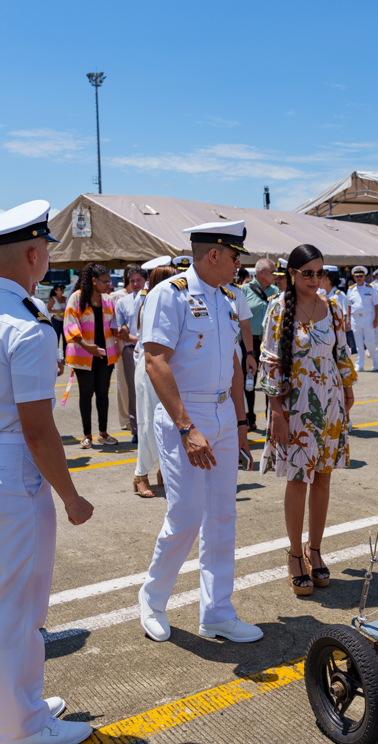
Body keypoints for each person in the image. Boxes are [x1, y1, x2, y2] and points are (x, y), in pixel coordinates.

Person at [0, 200, 95, 744]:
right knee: (19, 608)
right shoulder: (30, 328)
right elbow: (38, 431)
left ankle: (23, 702)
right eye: (46, 249)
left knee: (3, 601)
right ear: (34, 254)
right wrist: (72, 496)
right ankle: (18, 728)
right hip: (11, 473)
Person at [137, 221, 258, 644]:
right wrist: (187, 427)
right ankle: (152, 599)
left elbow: (235, 367)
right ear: (214, 254)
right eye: (235, 256)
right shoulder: (168, 295)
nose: (238, 264)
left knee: (223, 516)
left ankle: (218, 612)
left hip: (223, 414)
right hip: (184, 415)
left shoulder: (227, 299)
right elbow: (155, 361)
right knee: (186, 516)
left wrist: (241, 425)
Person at [259, 245, 356, 596]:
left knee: (324, 479)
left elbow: (341, 351)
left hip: (329, 402)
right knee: (298, 480)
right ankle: (295, 554)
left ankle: (316, 550)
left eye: (320, 273)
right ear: (292, 275)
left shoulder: (331, 305)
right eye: (307, 273)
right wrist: (276, 411)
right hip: (296, 404)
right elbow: (270, 361)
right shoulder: (278, 308)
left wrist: (347, 392)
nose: (315, 280)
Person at [131, 257, 174, 498]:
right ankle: (141, 475)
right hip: (150, 367)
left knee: (166, 423)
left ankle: (162, 471)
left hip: (166, 366)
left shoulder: (167, 302)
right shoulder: (150, 303)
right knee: (148, 422)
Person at [64, 264, 119, 448]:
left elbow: (113, 325)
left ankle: (103, 433)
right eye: (106, 281)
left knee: (103, 394)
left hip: (105, 355)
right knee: (86, 394)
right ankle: (87, 435)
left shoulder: (108, 300)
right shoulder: (77, 298)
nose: (109, 285)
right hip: (83, 354)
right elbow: (71, 325)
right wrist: (87, 346)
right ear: (94, 281)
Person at [241, 258, 279, 431]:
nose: (275, 275)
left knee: (269, 382)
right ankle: (250, 419)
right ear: (261, 273)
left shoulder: (276, 291)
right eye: (272, 272)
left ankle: (270, 417)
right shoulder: (244, 290)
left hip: (270, 343)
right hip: (249, 343)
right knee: (248, 382)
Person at [115, 267, 148, 445]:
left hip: (148, 349)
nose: (135, 284)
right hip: (130, 350)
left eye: (138, 280)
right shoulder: (123, 302)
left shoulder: (151, 298)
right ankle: (136, 430)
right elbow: (120, 326)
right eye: (132, 281)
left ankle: (149, 428)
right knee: (133, 390)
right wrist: (124, 331)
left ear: (145, 280)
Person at [109, 268, 135, 431]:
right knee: (124, 384)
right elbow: (114, 324)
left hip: (135, 346)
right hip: (122, 344)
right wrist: (118, 347)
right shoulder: (117, 296)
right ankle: (125, 418)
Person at [346, 265, 378, 372]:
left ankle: (375, 361)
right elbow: (349, 305)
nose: (359, 278)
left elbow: (376, 304)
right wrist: (348, 319)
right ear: (354, 277)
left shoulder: (370, 288)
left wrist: (376, 318)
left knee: (369, 341)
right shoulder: (351, 289)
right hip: (355, 318)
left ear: (364, 276)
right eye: (357, 276)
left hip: (368, 317)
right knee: (358, 343)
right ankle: (359, 364)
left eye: (361, 276)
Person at [47, 284, 67, 349]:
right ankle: (56, 355)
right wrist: (58, 311)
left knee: (65, 338)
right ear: (55, 291)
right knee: (56, 338)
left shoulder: (65, 298)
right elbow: (48, 310)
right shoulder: (53, 299)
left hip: (65, 321)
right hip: (56, 321)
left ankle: (65, 356)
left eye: (63, 289)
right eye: (60, 289)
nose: (62, 290)